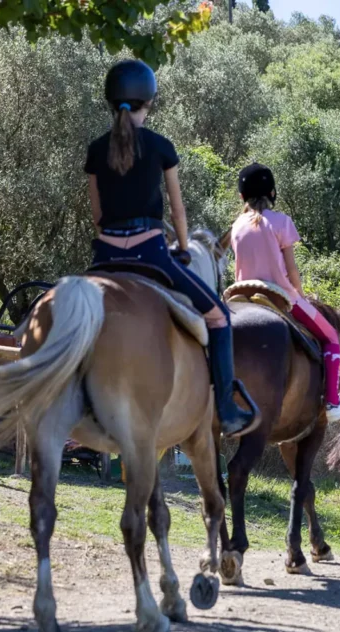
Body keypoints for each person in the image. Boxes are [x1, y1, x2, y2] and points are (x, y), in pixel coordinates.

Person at [84, 59, 256, 436]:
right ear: (148, 102)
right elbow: (178, 209)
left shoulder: (96, 150)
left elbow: (97, 215)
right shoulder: (161, 146)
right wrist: (180, 246)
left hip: (105, 255)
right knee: (219, 318)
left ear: (111, 103)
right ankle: (226, 409)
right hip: (151, 253)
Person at [228, 162, 340, 422]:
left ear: (242, 196)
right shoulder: (281, 222)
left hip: (240, 294)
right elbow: (292, 269)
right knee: (331, 336)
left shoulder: (236, 226)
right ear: (272, 193)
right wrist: (299, 292)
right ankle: (332, 402)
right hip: (278, 295)